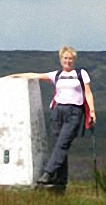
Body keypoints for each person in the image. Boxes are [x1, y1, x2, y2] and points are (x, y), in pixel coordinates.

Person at [9, 46, 96, 189]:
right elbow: (35, 75)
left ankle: (48, 173)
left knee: (63, 143)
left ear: (74, 60)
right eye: (65, 58)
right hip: (58, 111)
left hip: (74, 111)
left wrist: (92, 111)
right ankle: (60, 179)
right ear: (61, 59)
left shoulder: (81, 74)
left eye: (70, 58)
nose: (67, 61)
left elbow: (88, 92)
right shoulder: (56, 75)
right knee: (58, 145)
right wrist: (13, 76)